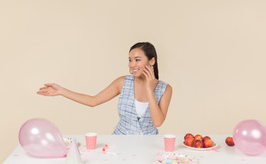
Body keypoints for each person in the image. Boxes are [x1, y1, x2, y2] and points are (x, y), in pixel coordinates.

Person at [37, 42, 172, 135]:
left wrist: (149, 89)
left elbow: (158, 122)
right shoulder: (122, 82)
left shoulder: (165, 89)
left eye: (137, 60)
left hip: (149, 146)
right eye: (130, 60)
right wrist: (61, 91)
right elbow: (93, 101)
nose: (132, 64)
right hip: (120, 143)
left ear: (152, 61)